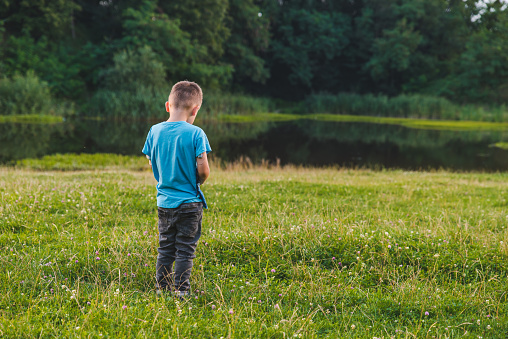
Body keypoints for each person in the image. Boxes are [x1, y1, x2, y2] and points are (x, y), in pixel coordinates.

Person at [142, 81, 211, 298]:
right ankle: (181, 291)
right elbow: (204, 170)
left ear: (167, 106)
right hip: (189, 203)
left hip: (164, 202)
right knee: (185, 249)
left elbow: (152, 162)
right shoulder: (196, 133)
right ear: (195, 109)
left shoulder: (154, 131)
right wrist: (197, 181)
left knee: (165, 248)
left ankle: (162, 289)